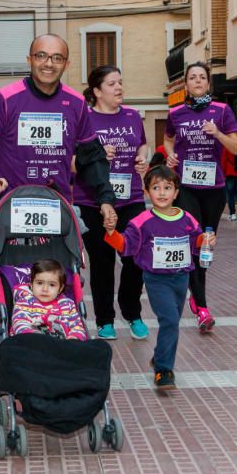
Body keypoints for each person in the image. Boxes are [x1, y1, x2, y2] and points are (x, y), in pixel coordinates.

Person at [0, 33, 117, 241]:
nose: (49, 64)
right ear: (29, 60)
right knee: (14, 273)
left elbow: (92, 157)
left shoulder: (76, 103)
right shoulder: (7, 98)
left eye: (57, 58)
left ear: (66, 64)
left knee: (58, 274)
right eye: (41, 56)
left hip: (56, 207)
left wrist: (106, 199)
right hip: (10, 209)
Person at [103, 166, 203, 390]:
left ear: (176, 192)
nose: (162, 192)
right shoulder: (142, 221)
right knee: (168, 320)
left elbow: (196, 242)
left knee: (173, 322)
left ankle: (159, 356)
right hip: (156, 280)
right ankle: (164, 370)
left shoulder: (187, 218)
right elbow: (126, 246)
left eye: (167, 188)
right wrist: (111, 233)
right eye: (156, 187)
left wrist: (206, 240)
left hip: (181, 278)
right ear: (147, 192)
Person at [73, 65, 149, 342]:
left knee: (135, 257)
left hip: (131, 198)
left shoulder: (131, 115)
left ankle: (133, 313)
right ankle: (105, 320)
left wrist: (143, 159)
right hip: (92, 201)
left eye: (120, 82)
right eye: (112, 84)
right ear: (96, 91)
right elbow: (70, 160)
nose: (119, 88)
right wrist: (95, 154)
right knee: (102, 263)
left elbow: (142, 144)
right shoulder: (84, 119)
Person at [164, 62, 237, 334]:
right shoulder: (176, 112)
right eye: (192, 78)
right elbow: (168, 139)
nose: (197, 81)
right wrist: (170, 155)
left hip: (214, 188)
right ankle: (203, 306)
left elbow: (236, 147)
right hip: (187, 188)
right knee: (194, 242)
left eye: (202, 77)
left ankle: (196, 297)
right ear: (186, 84)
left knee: (206, 245)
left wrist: (217, 133)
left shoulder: (222, 111)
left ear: (208, 83)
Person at [10, 259, 87, 341]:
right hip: (32, 342)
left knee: (98, 345)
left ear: (60, 288)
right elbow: (19, 324)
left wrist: (74, 337)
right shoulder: (25, 302)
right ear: (31, 285)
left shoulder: (68, 305)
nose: (45, 289)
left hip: (62, 344)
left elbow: (77, 327)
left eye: (52, 285)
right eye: (39, 283)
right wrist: (34, 336)